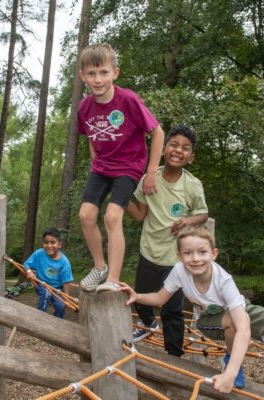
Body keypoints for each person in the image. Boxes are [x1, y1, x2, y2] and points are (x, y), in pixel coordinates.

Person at [120, 226, 264, 400]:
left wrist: (229, 376)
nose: (195, 259)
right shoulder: (179, 271)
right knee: (233, 321)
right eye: (188, 253)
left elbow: (244, 326)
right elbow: (160, 298)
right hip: (210, 320)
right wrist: (138, 296)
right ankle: (230, 361)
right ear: (179, 256)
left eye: (202, 252)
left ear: (213, 253)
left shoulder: (223, 279)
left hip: (239, 310)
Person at [77, 43, 165, 294]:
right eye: (91, 74)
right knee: (85, 215)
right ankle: (100, 267)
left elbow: (157, 132)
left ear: (115, 73)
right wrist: (96, 163)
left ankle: (113, 279)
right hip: (102, 168)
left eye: (103, 72)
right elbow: (91, 139)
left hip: (129, 167)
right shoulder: (84, 108)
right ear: (83, 76)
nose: (98, 79)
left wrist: (150, 172)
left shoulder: (128, 99)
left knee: (112, 216)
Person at [126, 124, 208, 357]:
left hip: (175, 259)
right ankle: (148, 324)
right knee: (141, 298)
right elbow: (140, 215)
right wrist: (121, 199)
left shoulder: (192, 185)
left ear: (191, 157)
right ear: (162, 149)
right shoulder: (149, 179)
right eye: (173, 144)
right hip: (149, 251)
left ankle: (174, 355)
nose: (178, 150)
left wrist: (188, 220)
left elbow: (202, 214)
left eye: (185, 148)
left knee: (172, 309)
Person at [23, 228, 73, 319]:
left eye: (53, 242)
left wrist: (67, 298)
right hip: (41, 284)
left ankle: (57, 322)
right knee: (46, 293)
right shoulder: (39, 254)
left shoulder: (64, 262)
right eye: (46, 242)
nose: (49, 245)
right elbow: (26, 264)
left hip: (57, 289)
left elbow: (66, 281)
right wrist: (29, 271)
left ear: (59, 245)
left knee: (60, 306)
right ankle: (40, 318)